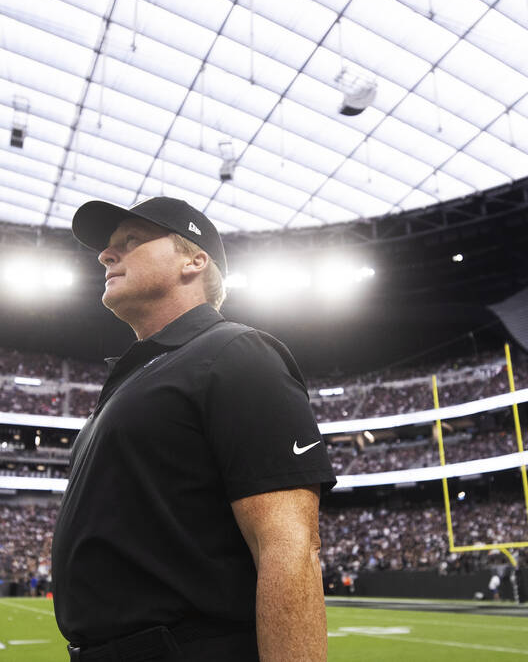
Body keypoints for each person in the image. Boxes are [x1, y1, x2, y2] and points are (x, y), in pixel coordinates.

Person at [52, 197, 335, 662]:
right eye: (110, 246)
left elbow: (289, 544)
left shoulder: (236, 353)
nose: (106, 254)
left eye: (131, 241)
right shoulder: (135, 380)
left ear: (193, 261)